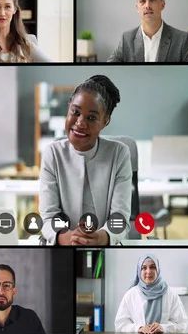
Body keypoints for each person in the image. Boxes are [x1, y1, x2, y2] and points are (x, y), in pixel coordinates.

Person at [39, 74, 132, 246]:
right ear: (68, 109)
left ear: (105, 121)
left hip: (103, 246)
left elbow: (119, 216)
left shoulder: (119, 154)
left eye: (91, 118)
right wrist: (66, 238)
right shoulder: (52, 153)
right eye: (75, 112)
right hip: (64, 245)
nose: (80, 123)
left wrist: (102, 237)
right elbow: (48, 216)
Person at [107, 0, 188, 63]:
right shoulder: (126, 39)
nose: (147, 5)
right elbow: (109, 69)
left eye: (152, 0)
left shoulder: (182, 39)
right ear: (137, 8)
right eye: (142, 1)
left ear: (162, 4)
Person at [115, 255, 188, 334]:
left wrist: (163, 327)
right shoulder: (131, 294)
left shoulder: (170, 294)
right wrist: (139, 328)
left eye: (153, 267)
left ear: (158, 270)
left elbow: (182, 324)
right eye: (144, 268)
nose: (148, 271)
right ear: (139, 271)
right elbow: (120, 325)